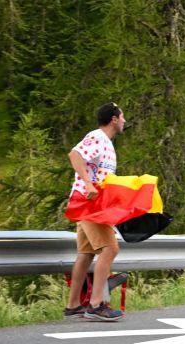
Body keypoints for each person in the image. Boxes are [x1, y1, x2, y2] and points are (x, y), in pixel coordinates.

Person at [64, 102, 126, 321]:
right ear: (114, 119)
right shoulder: (98, 137)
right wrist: (89, 184)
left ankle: (73, 306)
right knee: (110, 248)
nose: (125, 121)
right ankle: (96, 305)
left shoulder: (106, 143)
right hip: (89, 203)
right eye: (123, 116)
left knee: (86, 254)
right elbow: (75, 155)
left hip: (90, 203)